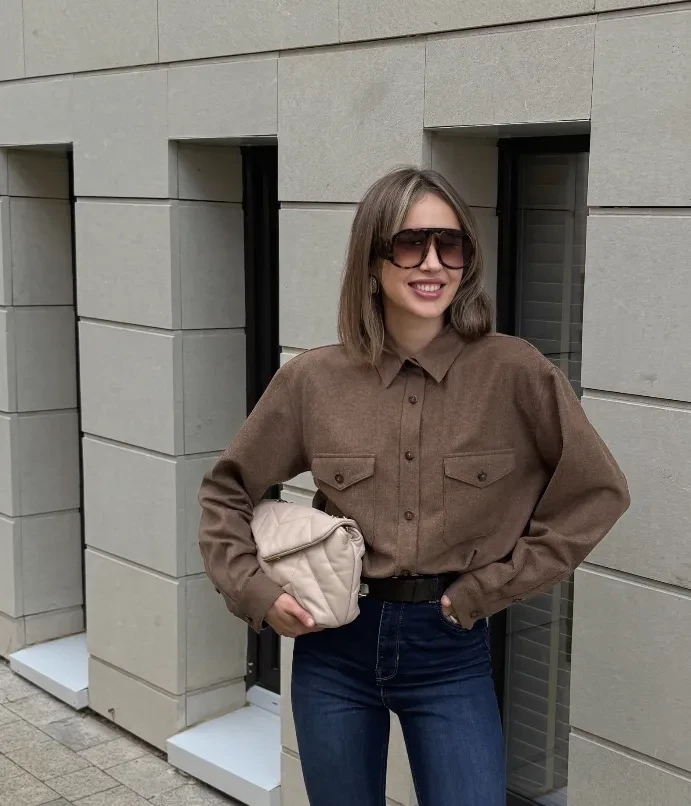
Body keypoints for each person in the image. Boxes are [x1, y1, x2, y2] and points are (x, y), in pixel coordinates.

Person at [198, 166, 630, 805]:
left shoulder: (515, 372)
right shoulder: (313, 381)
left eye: (450, 244)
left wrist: (490, 588)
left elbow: (596, 493)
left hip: (449, 647)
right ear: (372, 261)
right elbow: (226, 492)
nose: (432, 263)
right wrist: (257, 594)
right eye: (410, 243)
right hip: (334, 645)